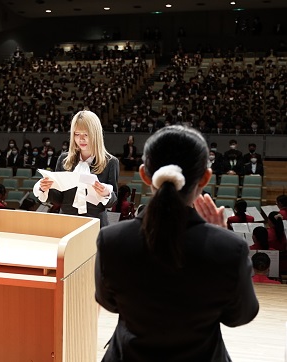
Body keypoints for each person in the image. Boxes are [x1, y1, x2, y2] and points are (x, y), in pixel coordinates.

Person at [95, 126, 258, 361]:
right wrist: (220, 241)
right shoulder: (229, 248)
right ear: (205, 177)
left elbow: (109, 303)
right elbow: (240, 315)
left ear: (144, 175)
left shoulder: (111, 240)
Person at [33, 110, 119, 227]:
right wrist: (45, 189)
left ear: (96, 134)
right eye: (77, 134)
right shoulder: (64, 159)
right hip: (67, 222)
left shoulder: (110, 162)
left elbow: (113, 201)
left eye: (86, 134)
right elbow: (59, 199)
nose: (81, 139)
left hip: (95, 224)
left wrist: (106, 194)